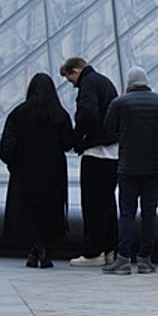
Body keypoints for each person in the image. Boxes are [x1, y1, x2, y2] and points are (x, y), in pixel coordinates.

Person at [102, 68, 158, 275]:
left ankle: (123, 258)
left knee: (126, 213)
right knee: (149, 213)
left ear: (129, 84)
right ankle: (145, 259)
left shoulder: (120, 102)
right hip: (155, 166)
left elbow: (108, 129)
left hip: (128, 165)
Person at [0, 73, 74, 268]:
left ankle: (33, 250)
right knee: (49, 212)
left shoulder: (19, 113)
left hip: (26, 172)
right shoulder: (60, 115)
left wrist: (13, 163)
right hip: (53, 173)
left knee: (28, 213)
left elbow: (7, 146)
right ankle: (46, 250)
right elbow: (68, 143)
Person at [59, 57, 120, 267]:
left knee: (93, 205)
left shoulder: (88, 83)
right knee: (108, 205)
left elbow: (87, 112)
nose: (73, 84)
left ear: (75, 70)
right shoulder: (105, 82)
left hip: (96, 153)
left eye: (70, 79)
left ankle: (94, 253)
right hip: (113, 153)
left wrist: (79, 138)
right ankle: (111, 249)